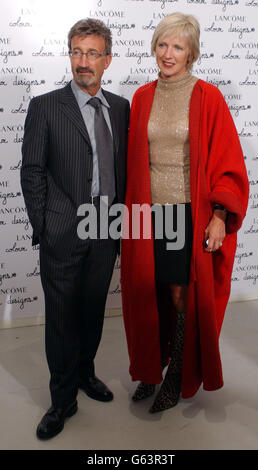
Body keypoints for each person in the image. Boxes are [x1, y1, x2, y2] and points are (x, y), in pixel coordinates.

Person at [121, 12, 249, 413]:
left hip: (186, 214)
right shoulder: (142, 96)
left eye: (177, 46)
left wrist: (217, 216)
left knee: (179, 293)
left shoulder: (208, 96)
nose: (168, 53)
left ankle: (178, 372)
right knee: (148, 290)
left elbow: (228, 161)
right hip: (146, 213)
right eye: (162, 44)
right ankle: (151, 367)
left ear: (191, 52)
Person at [21, 18, 130, 439]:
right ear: (70, 55)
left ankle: (86, 374)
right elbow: (32, 171)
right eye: (77, 52)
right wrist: (46, 226)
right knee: (62, 321)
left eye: (92, 53)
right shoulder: (45, 107)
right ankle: (61, 400)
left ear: (107, 60)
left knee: (92, 314)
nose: (83, 62)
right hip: (63, 234)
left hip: (107, 229)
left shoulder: (120, 108)